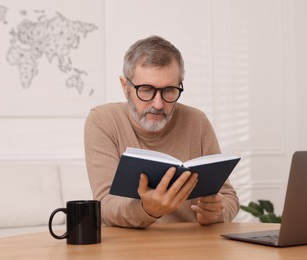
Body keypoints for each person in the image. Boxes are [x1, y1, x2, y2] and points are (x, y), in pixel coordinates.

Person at [84, 35, 239, 228]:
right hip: (127, 246)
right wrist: (147, 210)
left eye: (169, 90)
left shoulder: (197, 121)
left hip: (189, 245)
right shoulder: (102, 120)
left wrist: (218, 211)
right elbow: (104, 207)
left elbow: (228, 197)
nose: (158, 104)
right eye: (146, 89)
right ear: (125, 87)